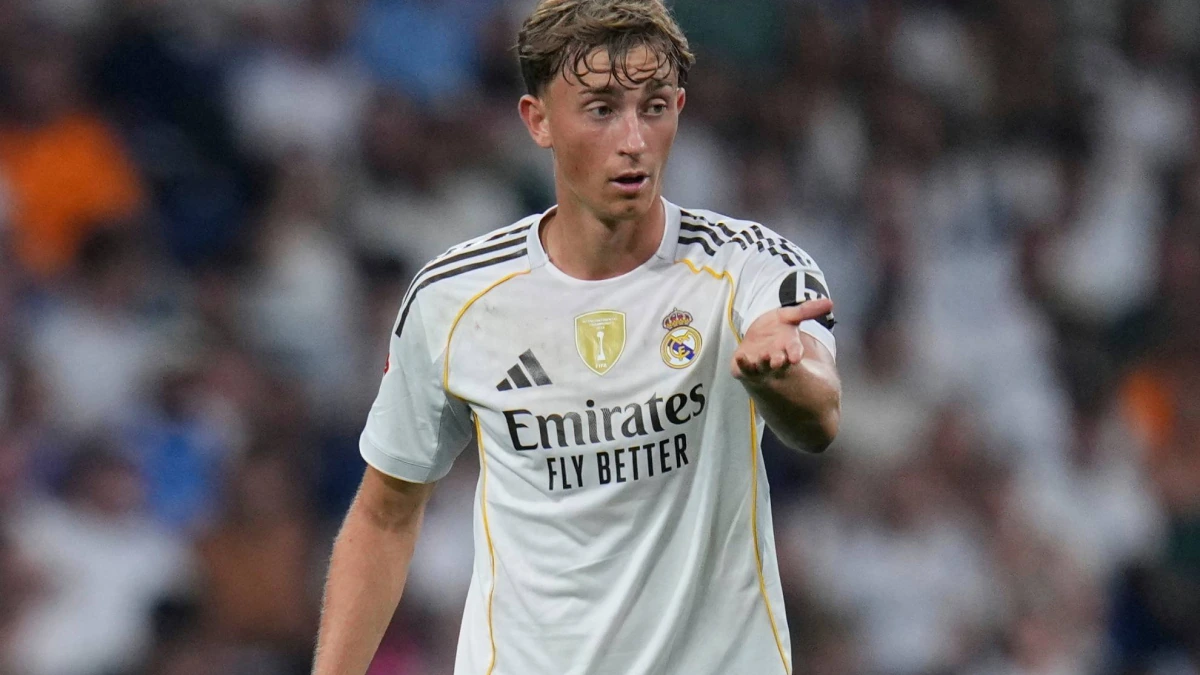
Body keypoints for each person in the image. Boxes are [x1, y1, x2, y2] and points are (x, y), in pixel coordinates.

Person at [312, 1, 841, 673]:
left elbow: (819, 418)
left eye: (654, 107)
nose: (634, 139)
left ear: (679, 109)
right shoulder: (455, 299)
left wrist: (783, 376)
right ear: (539, 121)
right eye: (601, 109)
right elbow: (385, 515)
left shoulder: (752, 269)